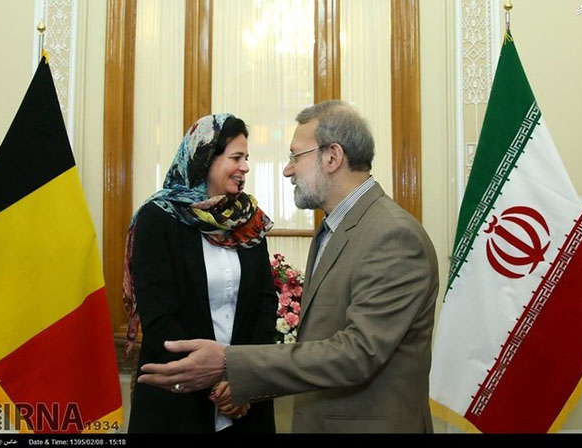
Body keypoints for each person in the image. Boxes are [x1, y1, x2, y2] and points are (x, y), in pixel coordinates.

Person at [137, 100, 439, 433]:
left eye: (295, 156)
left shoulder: (392, 236)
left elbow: (358, 352)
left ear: (332, 157)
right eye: (236, 157)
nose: (287, 170)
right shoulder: (332, 229)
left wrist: (229, 366)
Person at [124, 113, 277, 433]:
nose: (245, 167)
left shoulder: (248, 220)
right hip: (178, 400)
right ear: (205, 158)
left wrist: (242, 380)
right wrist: (218, 381)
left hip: (246, 403)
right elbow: (159, 317)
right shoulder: (157, 218)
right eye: (236, 157)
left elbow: (265, 303)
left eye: (247, 158)